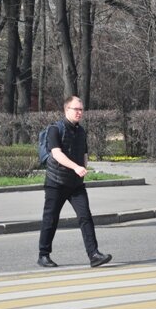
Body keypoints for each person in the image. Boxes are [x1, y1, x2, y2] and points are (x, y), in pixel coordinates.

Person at [37, 96, 112, 268]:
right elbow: (57, 154)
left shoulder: (81, 131)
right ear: (66, 110)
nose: (79, 112)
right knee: (51, 219)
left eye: (81, 109)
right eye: (76, 109)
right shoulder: (55, 129)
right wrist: (76, 167)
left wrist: (83, 167)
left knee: (85, 217)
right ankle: (43, 255)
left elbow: (84, 154)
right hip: (56, 182)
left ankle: (94, 255)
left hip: (75, 184)